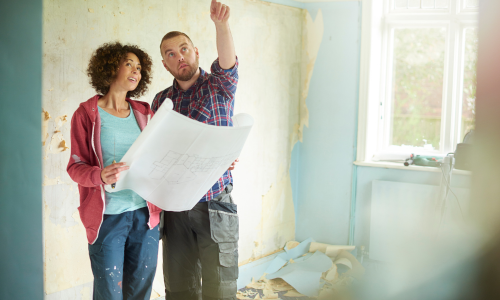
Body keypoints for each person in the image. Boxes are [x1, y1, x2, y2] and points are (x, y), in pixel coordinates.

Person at [151, 0, 239, 299]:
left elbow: (228, 61)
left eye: (184, 49)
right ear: (165, 64)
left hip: (214, 202)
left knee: (220, 286)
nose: (180, 57)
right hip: (174, 207)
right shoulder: (161, 102)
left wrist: (221, 25)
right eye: (171, 54)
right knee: (179, 287)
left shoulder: (219, 86)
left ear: (196, 51)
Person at [67, 42, 163, 300]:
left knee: (140, 290)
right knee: (110, 293)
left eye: (140, 67)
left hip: (145, 216)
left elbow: (160, 156)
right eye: (129, 64)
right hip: (108, 218)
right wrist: (99, 175)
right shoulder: (86, 114)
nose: (136, 71)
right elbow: (75, 167)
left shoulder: (144, 112)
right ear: (110, 68)